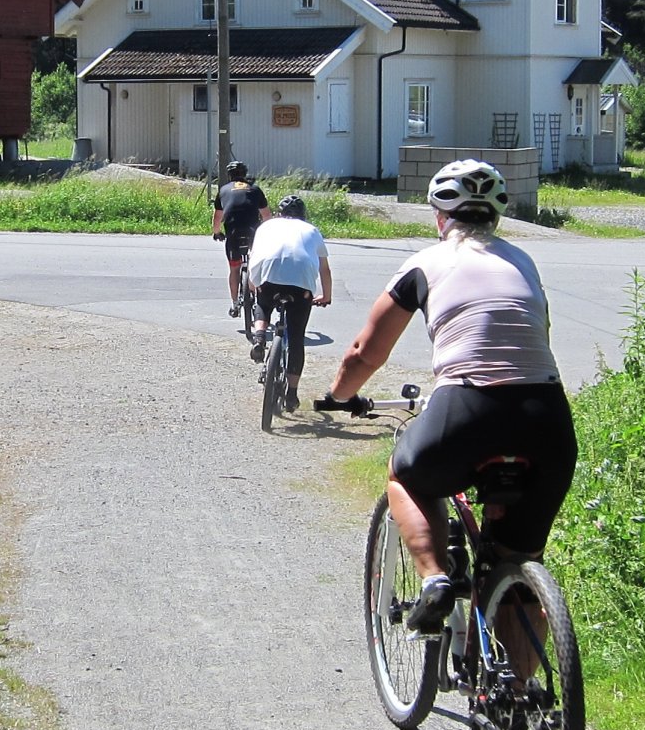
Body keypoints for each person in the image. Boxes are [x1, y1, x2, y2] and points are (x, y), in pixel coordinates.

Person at [323, 159, 576, 634]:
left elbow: (364, 353)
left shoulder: (425, 263)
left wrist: (338, 397)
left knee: (407, 476)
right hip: (548, 417)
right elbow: (539, 331)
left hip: (469, 406)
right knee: (517, 566)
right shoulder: (523, 261)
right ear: (495, 218)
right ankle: (522, 697)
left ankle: (435, 580)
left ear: (440, 217)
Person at [246, 194, 333, 413]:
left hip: (269, 276)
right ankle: (292, 393)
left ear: (278, 213)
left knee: (263, 304)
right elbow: (324, 269)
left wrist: (253, 284)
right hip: (300, 285)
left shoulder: (266, 227)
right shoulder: (312, 230)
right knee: (296, 339)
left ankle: (259, 337)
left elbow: (254, 256)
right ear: (303, 215)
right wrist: (326, 296)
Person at [211, 160, 270, 315]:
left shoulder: (223, 190)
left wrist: (217, 233)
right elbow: (267, 216)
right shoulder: (255, 189)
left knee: (234, 268)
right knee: (255, 265)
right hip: (253, 232)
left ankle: (235, 304)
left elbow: (217, 218)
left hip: (233, 232)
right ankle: (258, 297)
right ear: (245, 174)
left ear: (229, 175)